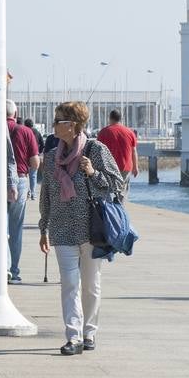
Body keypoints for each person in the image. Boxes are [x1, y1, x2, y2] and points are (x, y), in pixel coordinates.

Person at [37, 100, 124, 355]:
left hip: (91, 229)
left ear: (72, 125)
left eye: (58, 120)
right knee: (69, 283)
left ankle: (89, 332)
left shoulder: (96, 150)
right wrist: (44, 228)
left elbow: (116, 184)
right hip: (62, 229)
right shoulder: (52, 155)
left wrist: (93, 172)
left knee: (90, 285)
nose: (53, 124)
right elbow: (47, 194)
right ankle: (72, 336)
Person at [5, 100, 38, 283]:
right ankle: (14, 270)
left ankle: (2, 267)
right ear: (15, 114)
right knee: (16, 228)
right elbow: (34, 163)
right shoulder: (26, 131)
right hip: (20, 180)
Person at [96, 109, 138, 178]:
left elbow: (98, 151)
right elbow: (134, 151)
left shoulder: (103, 132)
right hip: (126, 168)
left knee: (110, 188)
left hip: (108, 168)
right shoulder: (130, 132)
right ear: (120, 118)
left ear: (110, 118)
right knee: (124, 188)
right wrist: (135, 167)